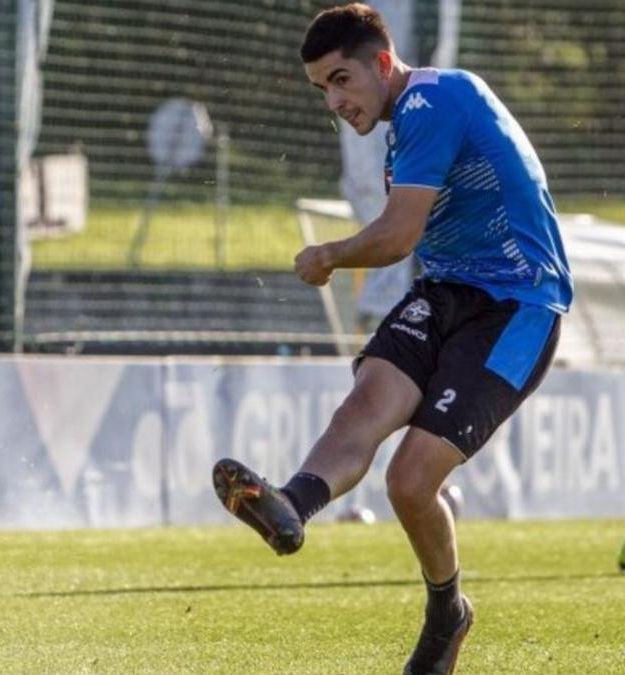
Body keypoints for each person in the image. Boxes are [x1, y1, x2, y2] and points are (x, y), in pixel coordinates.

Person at [212, 4, 571, 674]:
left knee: (408, 481)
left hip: (517, 307)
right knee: (365, 404)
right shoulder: (406, 123)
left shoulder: (434, 101)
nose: (336, 102)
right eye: (323, 89)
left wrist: (329, 255)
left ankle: (447, 612)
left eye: (342, 80)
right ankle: (292, 503)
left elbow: (397, 235)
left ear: (383, 62)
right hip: (445, 293)